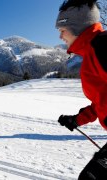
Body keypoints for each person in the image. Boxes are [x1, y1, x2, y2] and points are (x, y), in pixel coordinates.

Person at [55, 0, 107, 179]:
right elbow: (103, 100)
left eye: (62, 30)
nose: (60, 37)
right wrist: (77, 119)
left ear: (77, 28)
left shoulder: (103, 46)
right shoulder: (92, 53)